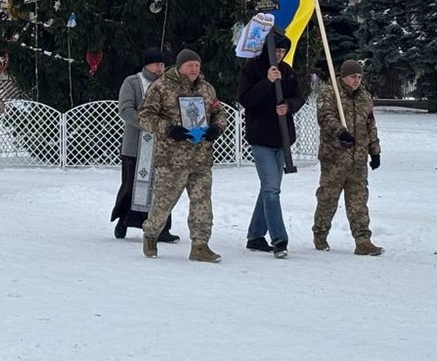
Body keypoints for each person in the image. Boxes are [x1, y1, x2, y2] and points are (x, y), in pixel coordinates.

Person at [138, 49, 228, 263]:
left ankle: (200, 245)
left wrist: (217, 127)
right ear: (179, 67)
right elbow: (144, 116)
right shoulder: (161, 87)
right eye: (190, 65)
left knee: (202, 202)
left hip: (201, 157)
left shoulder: (206, 89)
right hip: (172, 159)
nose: (194, 70)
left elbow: (219, 112)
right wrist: (168, 129)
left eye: (197, 65)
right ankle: (151, 234)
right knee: (163, 202)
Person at [237, 31, 305, 258]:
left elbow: (298, 97)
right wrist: (267, 82)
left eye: (282, 51)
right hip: (261, 138)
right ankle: (279, 239)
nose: (279, 55)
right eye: (276, 51)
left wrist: (288, 105)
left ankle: (255, 235)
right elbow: (246, 100)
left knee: (269, 188)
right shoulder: (252, 69)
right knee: (271, 190)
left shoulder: (287, 71)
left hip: (282, 138)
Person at [314, 59, 384, 256]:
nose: (356, 81)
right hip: (335, 157)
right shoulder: (330, 93)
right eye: (353, 77)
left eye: (359, 77)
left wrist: (375, 150)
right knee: (328, 198)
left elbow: (370, 124)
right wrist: (340, 133)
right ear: (344, 76)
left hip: (358, 158)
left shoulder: (365, 97)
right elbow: (326, 117)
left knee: (359, 200)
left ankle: (363, 239)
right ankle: (320, 233)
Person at [110, 47, 178, 242]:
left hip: (162, 146)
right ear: (147, 65)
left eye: (162, 64)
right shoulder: (132, 82)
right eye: (157, 64)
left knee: (162, 187)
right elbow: (125, 109)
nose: (160, 68)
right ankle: (123, 221)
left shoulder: (168, 85)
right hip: (135, 146)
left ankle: (162, 228)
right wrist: (148, 124)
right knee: (131, 186)